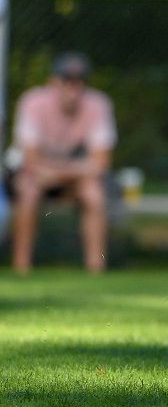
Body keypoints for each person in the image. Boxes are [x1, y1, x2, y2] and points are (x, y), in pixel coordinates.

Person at [10, 52, 116, 274]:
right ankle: (21, 267)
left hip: (69, 178)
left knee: (94, 193)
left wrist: (58, 172)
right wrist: (77, 169)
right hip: (39, 176)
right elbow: (30, 160)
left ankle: (96, 268)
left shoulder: (98, 104)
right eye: (67, 82)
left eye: (79, 83)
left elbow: (101, 162)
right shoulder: (32, 102)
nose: (73, 90)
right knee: (28, 190)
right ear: (52, 82)